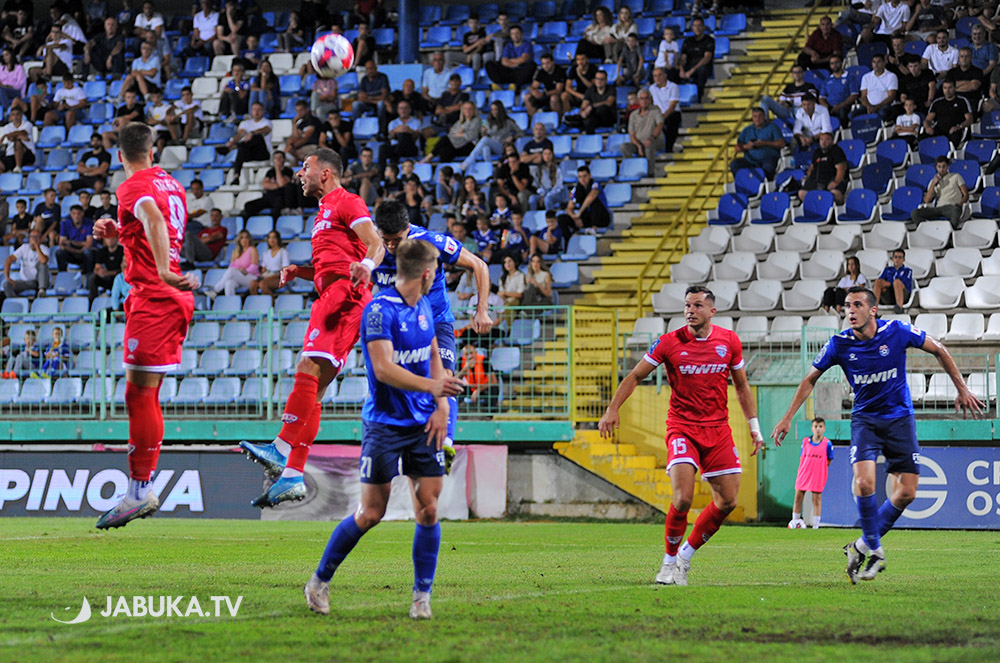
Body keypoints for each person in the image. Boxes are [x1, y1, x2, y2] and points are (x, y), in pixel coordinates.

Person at [303, 237, 466, 620]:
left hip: (424, 422)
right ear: (426, 273)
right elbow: (383, 369)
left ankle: (421, 596)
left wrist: (441, 406)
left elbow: (433, 356)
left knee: (428, 509)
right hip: (385, 425)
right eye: (436, 270)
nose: (437, 276)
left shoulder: (424, 306)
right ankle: (319, 580)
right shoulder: (379, 311)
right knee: (371, 512)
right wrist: (433, 388)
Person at [772, 287, 983, 583]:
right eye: (848, 305)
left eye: (857, 305)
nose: (851, 310)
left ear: (873, 310)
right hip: (865, 421)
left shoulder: (896, 331)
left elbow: (938, 348)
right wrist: (787, 417)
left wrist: (962, 388)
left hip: (900, 420)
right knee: (864, 483)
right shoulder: (839, 344)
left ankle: (860, 546)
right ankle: (876, 550)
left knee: (908, 492)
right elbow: (810, 379)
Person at [240, 149, 385, 507]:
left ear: (326, 173)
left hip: (344, 296)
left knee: (306, 367)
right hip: (335, 293)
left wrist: (367, 266)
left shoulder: (346, 201)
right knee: (314, 393)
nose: (299, 173)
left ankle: (279, 448)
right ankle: (292, 476)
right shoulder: (322, 211)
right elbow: (333, 262)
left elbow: (376, 243)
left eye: (306, 167)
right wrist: (299, 272)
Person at [599, 285, 765, 586]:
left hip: (718, 430)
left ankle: (685, 557)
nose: (690, 310)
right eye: (687, 305)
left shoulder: (729, 341)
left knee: (728, 501)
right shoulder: (669, 342)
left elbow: (741, 386)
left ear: (712, 311)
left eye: (698, 305)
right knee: (682, 498)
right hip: (682, 428)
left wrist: (755, 428)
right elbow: (635, 375)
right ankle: (668, 562)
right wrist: (612, 409)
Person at [93, 122, 197, 529]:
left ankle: (139, 490)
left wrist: (164, 270)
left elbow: (152, 218)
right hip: (165, 297)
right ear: (152, 151)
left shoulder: (132, 186)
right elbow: (154, 224)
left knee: (138, 395)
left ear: (120, 155)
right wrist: (119, 232)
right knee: (143, 393)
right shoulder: (173, 185)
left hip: (155, 295)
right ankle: (140, 487)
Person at [788, 417, 834, 530]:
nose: (818, 429)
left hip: (818, 474)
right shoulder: (805, 442)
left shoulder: (827, 444)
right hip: (804, 473)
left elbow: (829, 460)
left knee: (816, 499)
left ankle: (816, 526)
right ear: (812, 428)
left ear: (824, 428)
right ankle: (795, 522)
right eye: (816, 426)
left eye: (820, 426)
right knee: (798, 497)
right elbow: (802, 458)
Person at [217, 101, 272, 186]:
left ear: (263, 111)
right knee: (242, 149)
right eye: (254, 109)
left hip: (262, 153)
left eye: (259, 110)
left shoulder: (267, 122)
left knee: (257, 137)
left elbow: (266, 129)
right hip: (249, 153)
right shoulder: (245, 123)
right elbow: (240, 134)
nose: (256, 112)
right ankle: (236, 177)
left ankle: (232, 148)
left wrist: (252, 133)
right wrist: (232, 142)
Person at [911, 155, 968, 228]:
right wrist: (933, 184)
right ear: (936, 167)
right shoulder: (933, 181)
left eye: (944, 166)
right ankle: (926, 229)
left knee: (955, 211)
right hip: (938, 208)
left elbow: (965, 194)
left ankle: (949, 231)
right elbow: (927, 200)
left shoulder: (956, 176)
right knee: (915, 213)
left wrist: (960, 204)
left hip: (951, 207)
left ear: (948, 167)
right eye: (939, 167)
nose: (941, 169)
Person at [621, 87, 665, 177]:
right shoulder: (633, 115)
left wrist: (651, 138)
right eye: (642, 98)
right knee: (624, 147)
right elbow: (632, 134)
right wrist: (639, 146)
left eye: (646, 98)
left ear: (650, 99)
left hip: (655, 140)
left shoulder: (656, 111)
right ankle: (632, 170)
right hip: (639, 142)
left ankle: (650, 173)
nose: (644, 101)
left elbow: (660, 125)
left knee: (649, 145)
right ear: (638, 100)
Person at [730, 107, 786, 179]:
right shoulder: (747, 130)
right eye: (755, 116)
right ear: (752, 118)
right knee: (735, 164)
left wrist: (765, 143)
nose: (757, 119)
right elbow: (737, 148)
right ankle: (742, 183)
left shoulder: (772, 127)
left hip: (768, 159)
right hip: (750, 160)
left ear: (764, 117)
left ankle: (766, 184)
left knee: (769, 166)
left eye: (760, 116)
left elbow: (781, 143)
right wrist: (747, 146)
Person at [559, 164, 611, 236]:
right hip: (586, 217)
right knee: (561, 218)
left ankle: (594, 229)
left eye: (585, 176)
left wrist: (579, 213)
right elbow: (569, 208)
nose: (582, 179)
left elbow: (591, 196)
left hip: (601, 217)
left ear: (590, 176)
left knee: (594, 202)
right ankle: (569, 239)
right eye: (580, 177)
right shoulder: (576, 189)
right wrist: (575, 218)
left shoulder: (595, 185)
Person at [797, 132, 847, 204]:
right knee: (802, 193)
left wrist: (836, 182)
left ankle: (833, 208)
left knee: (835, 194)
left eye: (827, 140)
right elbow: (811, 167)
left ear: (832, 141)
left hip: (831, 179)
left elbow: (841, 169)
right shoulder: (817, 152)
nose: (824, 142)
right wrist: (807, 177)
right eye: (821, 139)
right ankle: (816, 206)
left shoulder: (837, 151)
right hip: (817, 180)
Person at [484, 24, 535, 89]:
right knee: (489, 64)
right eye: (513, 34)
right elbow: (504, 61)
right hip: (509, 70)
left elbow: (523, 59)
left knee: (532, 65)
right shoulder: (508, 46)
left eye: (517, 33)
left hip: (521, 72)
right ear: (510, 36)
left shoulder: (527, 45)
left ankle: (516, 85)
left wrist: (510, 60)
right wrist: (514, 64)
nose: (515, 35)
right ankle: (500, 85)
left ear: (522, 34)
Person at [923, 80, 973, 146]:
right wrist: (927, 127)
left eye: (950, 87)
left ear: (955, 88)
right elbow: (927, 120)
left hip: (955, 129)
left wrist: (959, 126)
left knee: (954, 137)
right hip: (939, 129)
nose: (947, 90)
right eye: (945, 88)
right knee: (923, 137)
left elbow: (970, 119)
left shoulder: (962, 101)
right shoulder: (937, 102)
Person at [210, 229, 258, 297]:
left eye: (246, 237)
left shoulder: (252, 249)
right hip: (238, 277)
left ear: (249, 239)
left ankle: (216, 290)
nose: (244, 240)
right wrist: (238, 271)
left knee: (231, 271)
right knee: (229, 283)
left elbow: (254, 267)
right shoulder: (235, 252)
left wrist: (245, 270)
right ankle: (230, 302)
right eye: (242, 238)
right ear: (239, 240)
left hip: (251, 277)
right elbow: (231, 266)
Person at [3, 229, 49, 297]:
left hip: (38, 281)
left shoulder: (44, 248)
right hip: (25, 281)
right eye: (32, 237)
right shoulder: (24, 247)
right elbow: (9, 260)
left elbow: (44, 260)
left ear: (40, 239)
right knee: (7, 285)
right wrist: (7, 277)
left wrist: (37, 246)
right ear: (29, 239)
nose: (34, 239)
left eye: (37, 237)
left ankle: (42, 291)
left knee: (42, 265)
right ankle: (15, 302)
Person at [679, 17, 714, 103]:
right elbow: (683, 57)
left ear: (703, 27)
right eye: (695, 26)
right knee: (670, 71)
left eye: (699, 26)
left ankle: (698, 97)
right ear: (692, 27)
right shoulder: (688, 41)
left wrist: (692, 70)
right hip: (689, 66)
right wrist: (681, 69)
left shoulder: (709, 40)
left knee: (702, 71)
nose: (697, 28)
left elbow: (707, 57)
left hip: (701, 67)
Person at [524, 53, 565, 121]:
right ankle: (534, 120)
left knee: (553, 98)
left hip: (558, 95)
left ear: (552, 62)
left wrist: (543, 94)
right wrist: (534, 92)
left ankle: (558, 121)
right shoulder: (541, 72)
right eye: (543, 64)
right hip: (546, 95)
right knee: (527, 97)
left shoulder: (560, 71)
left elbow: (558, 90)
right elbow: (533, 86)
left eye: (547, 63)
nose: (545, 66)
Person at [872, 249, 913, 314]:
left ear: (903, 260)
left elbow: (905, 283)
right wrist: (887, 284)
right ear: (892, 259)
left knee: (897, 282)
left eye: (900, 257)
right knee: (877, 282)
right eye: (895, 257)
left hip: (903, 295)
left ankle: (900, 308)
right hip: (889, 295)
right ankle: (873, 310)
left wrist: (888, 283)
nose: (897, 259)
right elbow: (881, 281)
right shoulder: (887, 269)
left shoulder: (908, 271)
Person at [56, 205, 95, 273]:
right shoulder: (65, 224)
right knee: (60, 252)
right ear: (71, 214)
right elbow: (62, 244)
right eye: (74, 213)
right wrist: (77, 249)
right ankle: (62, 274)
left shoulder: (89, 223)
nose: (76, 216)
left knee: (88, 252)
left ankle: (88, 275)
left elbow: (89, 243)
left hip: (83, 250)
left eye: (78, 213)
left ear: (82, 214)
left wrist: (71, 242)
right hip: (71, 250)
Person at [860, 54, 898, 122]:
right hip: (868, 106)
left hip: (884, 105)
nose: (876, 64)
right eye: (874, 62)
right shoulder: (866, 77)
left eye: (879, 62)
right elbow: (863, 96)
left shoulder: (891, 76)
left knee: (882, 113)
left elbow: (891, 96)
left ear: (884, 63)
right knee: (852, 115)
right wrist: (868, 107)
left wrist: (877, 107)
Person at [578, 69, 617, 133]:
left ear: (606, 80)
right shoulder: (590, 90)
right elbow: (583, 106)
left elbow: (609, 102)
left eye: (602, 79)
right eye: (597, 79)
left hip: (607, 118)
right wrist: (582, 112)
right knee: (587, 120)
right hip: (594, 118)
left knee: (602, 108)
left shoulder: (611, 89)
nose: (599, 81)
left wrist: (592, 106)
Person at [252, 230, 289, 295]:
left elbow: (285, 270)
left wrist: (272, 276)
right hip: (267, 275)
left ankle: (271, 300)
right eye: (270, 237)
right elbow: (264, 269)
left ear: (278, 239)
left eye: (274, 237)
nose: (272, 240)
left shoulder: (283, 252)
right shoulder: (266, 253)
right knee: (252, 284)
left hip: (278, 277)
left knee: (263, 284)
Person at [88, 234, 124, 302]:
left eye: (112, 238)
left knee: (122, 277)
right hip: (108, 279)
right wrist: (99, 272)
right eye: (108, 239)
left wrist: (108, 273)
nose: (110, 241)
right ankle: (92, 302)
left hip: (119, 278)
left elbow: (125, 270)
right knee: (92, 278)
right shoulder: (102, 251)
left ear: (116, 239)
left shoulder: (122, 251)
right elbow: (97, 268)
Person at [530, 147, 567, 211]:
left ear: (552, 155)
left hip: (555, 193)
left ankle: (550, 216)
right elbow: (537, 184)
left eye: (549, 154)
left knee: (548, 198)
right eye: (545, 154)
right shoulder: (539, 169)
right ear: (542, 155)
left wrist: (546, 195)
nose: (547, 156)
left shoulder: (557, 169)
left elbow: (558, 186)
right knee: (532, 198)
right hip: (544, 192)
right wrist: (542, 194)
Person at [0, 106, 34, 174]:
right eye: (13, 115)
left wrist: (5, 135)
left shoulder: (28, 124)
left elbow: (23, 132)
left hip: (27, 154)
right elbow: (11, 138)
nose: (15, 117)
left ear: (21, 116)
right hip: (11, 155)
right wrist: (19, 136)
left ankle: (18, 167)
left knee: (18, 142)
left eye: (18, 114)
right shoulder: (7, 127)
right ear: (10, 117)